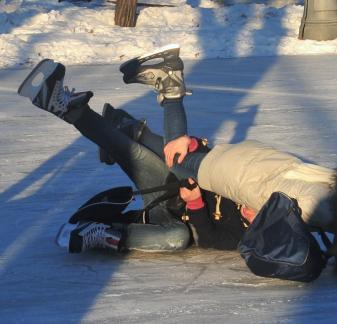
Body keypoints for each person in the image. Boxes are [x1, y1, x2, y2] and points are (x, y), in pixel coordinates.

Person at [119, 44, 337, 281]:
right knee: (177, 159)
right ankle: (170, 86)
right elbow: (280, 221)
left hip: (259, 160)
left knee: (183, 155)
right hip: (239, 176)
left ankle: (125, 128)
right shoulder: (321, 205)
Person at [17, 57, 251, 254]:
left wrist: (196, 202)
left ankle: (104, 234)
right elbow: (219, 162)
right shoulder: (253, 184)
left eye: (255, 217)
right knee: (151, 155)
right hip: (172, 183)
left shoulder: (242, 237)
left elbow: (208, 239)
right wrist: (197, 147)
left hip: (172, 216)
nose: (251, 209)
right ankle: (65, 106)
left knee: (177, 238)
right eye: (258, 205)